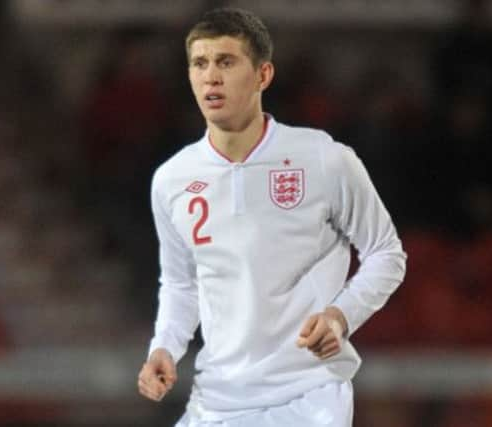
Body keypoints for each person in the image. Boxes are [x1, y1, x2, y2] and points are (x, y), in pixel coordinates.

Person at [137, 8, 406, 427]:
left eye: (226, 62)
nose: (211, 76)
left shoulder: (323, 158)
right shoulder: (172, 179)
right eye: (199, 63)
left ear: (263, 75)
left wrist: (340, 315)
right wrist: (164, 348)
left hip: (307, 395)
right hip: (217, 400)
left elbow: (386, 253)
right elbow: (181, 282)